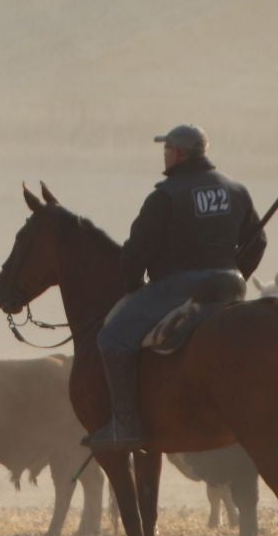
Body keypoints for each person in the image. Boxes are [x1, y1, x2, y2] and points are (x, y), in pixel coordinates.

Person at [88, 124, 265, 450]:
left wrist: (133, 287)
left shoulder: (165, 196)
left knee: (111, 338)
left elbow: (136, 252)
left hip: (177, 288)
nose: (164, 155)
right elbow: (258, 241)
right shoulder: (236, 191)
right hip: (228, 285)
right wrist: (235, 276)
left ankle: (125, 425)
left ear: (179, 154)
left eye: (167, 149)